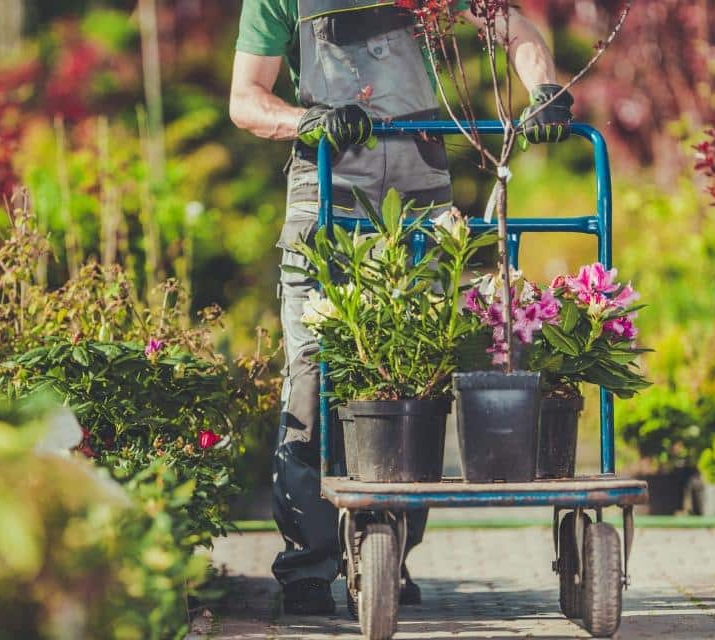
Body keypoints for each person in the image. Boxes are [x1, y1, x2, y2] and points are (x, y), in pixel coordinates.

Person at [229, 0, 573, 615]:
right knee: (313, 371)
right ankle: (308, 565)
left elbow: (511, 25)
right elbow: (246, 99)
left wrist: (544, 89)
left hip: (419, 187)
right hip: (328, 186)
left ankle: (391, 545)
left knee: (416, 373)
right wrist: (308, 119)